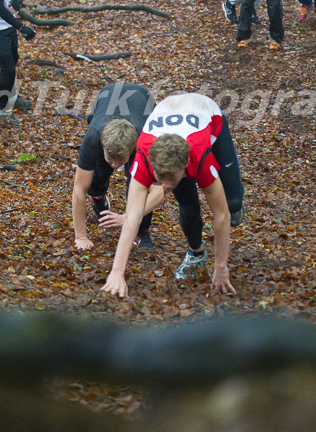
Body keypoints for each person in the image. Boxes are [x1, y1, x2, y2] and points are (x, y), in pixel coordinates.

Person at [102, 93, 245, 298]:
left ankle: (236, 194)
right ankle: (197, 253)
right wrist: (117, 272)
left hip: (208, 115)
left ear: (186, 166)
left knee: (231, 205)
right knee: (188, 207)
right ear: (153, 167)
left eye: (172, 180)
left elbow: (220, 216)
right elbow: (132, 217)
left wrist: (221, 267)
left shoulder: (200, 157)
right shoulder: (143, 158)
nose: (166, 186)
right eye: (161, 180)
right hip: (169, 115)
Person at [71, 83, 164, 250]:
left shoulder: (146, 142)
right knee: (97, 174)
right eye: (111, 159)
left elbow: (157, 192)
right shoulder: (94, 136)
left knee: (138, 182)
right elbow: (79, 189)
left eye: (120, 161)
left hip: (143, 99)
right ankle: (98, 197)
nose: (115, 166)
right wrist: (81, 236)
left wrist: (129, 217)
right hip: (107, 95)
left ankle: (141, 231)